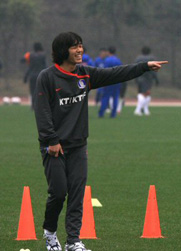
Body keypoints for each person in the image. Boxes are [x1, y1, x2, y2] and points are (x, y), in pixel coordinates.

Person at [34, 32, 167, 251]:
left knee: (77, 193)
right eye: (74, 47)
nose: (80, 50)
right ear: (62, 50)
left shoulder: (85, 74)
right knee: (58, 192)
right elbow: (42, 112)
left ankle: (73, 241)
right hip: (54, 146)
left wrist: (144, 66)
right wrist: (51, 139)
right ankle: (50, 234)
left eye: (81, 46)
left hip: (78, 145)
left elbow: (115, 73)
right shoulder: (47, 77)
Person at [134, 46, 160, 116]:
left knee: (141, 93)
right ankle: (138, 109)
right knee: (146, 93)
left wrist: (135, 78)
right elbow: (154, 69)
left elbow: (134, 68)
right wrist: (156, 79)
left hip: (139, 77)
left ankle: (145, 110)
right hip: (148, 78)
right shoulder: (151, 58)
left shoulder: (138, 58)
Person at [98, 46, 123, 118]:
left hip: (108, 81)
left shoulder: (107, 60)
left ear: (108, 52)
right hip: (117, 81)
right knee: (115, 97)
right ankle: (113, 114)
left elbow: (104, 71)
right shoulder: (118, 60)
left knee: (105, 97)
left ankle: (101, 113)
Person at [24, 42, 46, 109]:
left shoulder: (31, 55)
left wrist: (26, 76)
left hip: (32, 76)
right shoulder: (43, 55)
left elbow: (29, 67)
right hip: (40, 76)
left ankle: (33, 105)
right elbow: (45, 66)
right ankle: (40, 105)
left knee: (32, 91)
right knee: (41, 91)